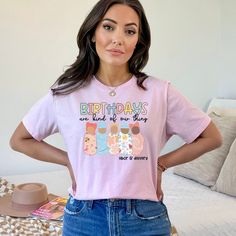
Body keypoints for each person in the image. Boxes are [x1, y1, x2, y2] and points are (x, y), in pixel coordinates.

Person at [10, 0, 222, 235]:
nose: (118, 39)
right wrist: (68, 160)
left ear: (138, 41)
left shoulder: (160, 92)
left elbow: (211, 137)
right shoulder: (66, 93)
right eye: (108, 27)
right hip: (83, 217)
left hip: (144, 217)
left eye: (129, 31)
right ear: (92, 33)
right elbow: (20, 139)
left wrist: (162, 163)